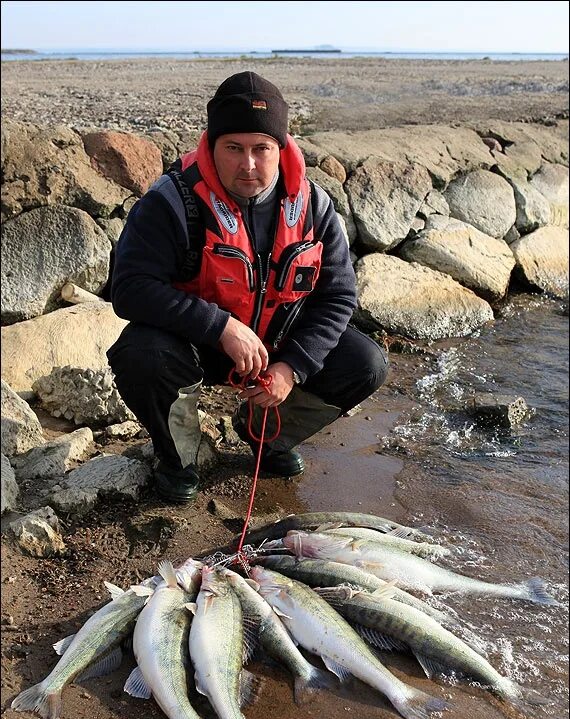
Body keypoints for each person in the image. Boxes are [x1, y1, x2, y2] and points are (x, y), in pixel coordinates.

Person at [107, 71, 388, 504]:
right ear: (212, 145)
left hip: (275, 345)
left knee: (366, 362)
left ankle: (266, 437)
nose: (249, 164)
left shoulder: (314, 206)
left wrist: (291, 367)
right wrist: (220, 326)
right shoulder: (170, 201)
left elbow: (338, 297)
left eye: (262, 148)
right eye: (233, 148)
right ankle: (181, 456)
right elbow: (129, 287)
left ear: (281, 147)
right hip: (200, 346)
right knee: (141, 353)